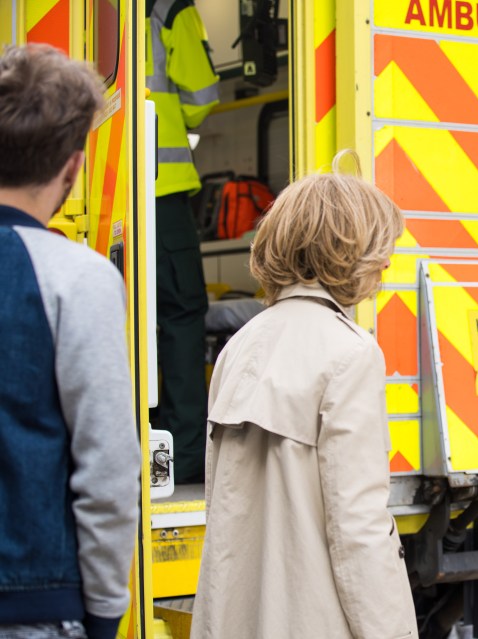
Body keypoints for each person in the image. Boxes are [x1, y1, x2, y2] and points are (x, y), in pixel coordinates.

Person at [191, 158, 418, 639]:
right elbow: (357, 528)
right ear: (345, 252)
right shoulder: (350, 354)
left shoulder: (240, 345)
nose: (386, 265)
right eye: (380, 250)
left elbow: (221, 504)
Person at [0, 44, 141, 639]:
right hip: (32, 601)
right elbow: (107, 470)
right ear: (73, 167)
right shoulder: (77, 278)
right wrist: (106, 611)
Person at [147, 0, 220, 484]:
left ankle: (141, 453)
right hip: (162, 190)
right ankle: (182, 458)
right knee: (179, 319)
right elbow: (201, 96)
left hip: (100, 191)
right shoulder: (170, 6)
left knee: (128, 326)